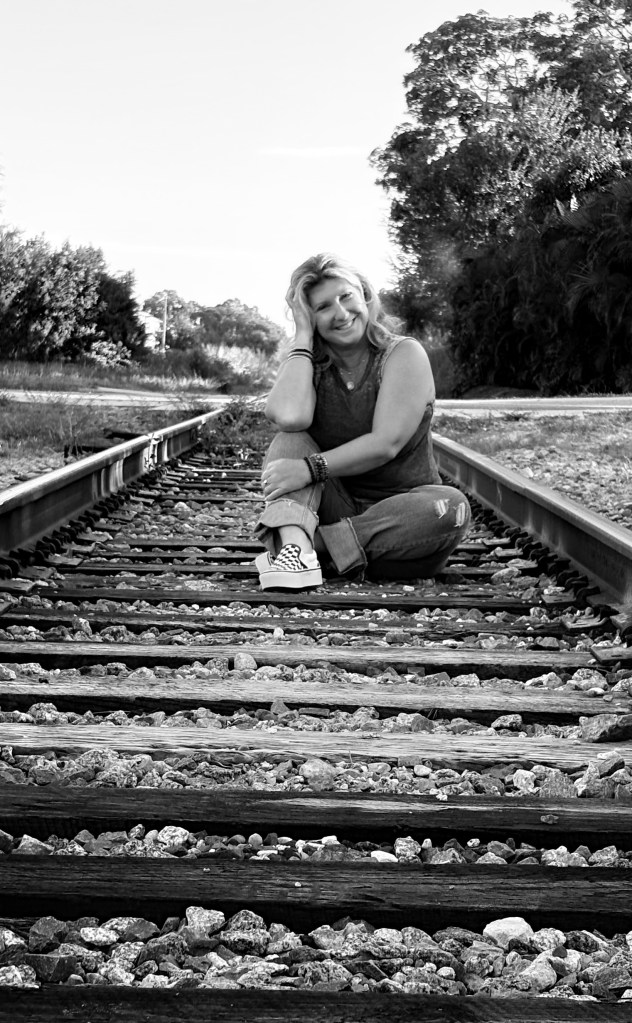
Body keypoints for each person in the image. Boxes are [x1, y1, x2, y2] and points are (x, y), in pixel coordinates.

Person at [254, 253, 471, 591]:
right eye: (323, 307)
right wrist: (302, 339)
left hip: (400, 524)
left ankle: (305, 545)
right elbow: (290, 416)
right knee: (290, 440)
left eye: (346, 296)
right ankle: (300, 555)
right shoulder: (309, 365)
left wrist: (310, 469)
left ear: (365, 295)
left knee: (450, 506)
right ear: (309, 317)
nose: (341, 313)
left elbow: (386, 443)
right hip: (336, 506)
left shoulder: (402, 354)